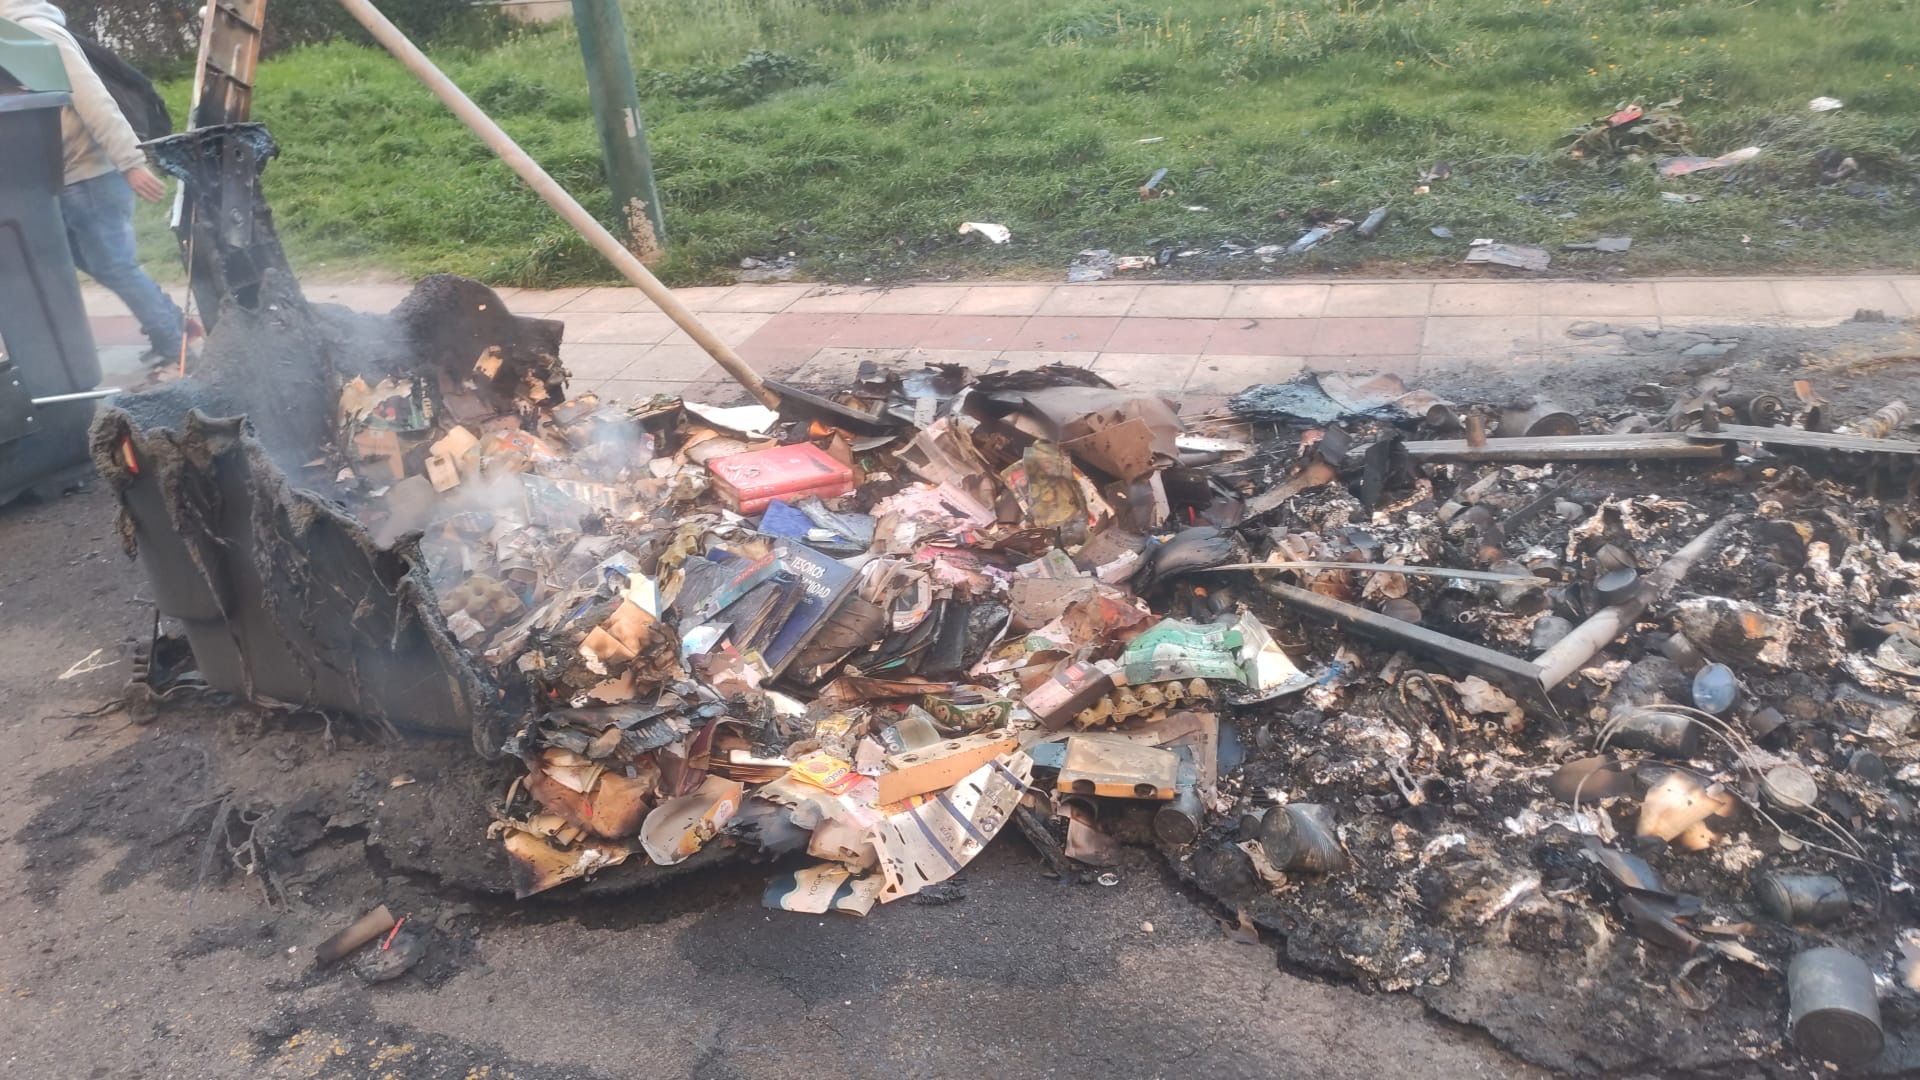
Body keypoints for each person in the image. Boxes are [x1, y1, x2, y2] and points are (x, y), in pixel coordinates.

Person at [1, 0, 196, 363]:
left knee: (114, 264)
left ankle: (176, 347)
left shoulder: (36, 32)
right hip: (69, 176)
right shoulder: (12, 39)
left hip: (91, 173)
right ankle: (169, 321)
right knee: (86, 259)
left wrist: (130, 162)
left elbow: (93, 98)